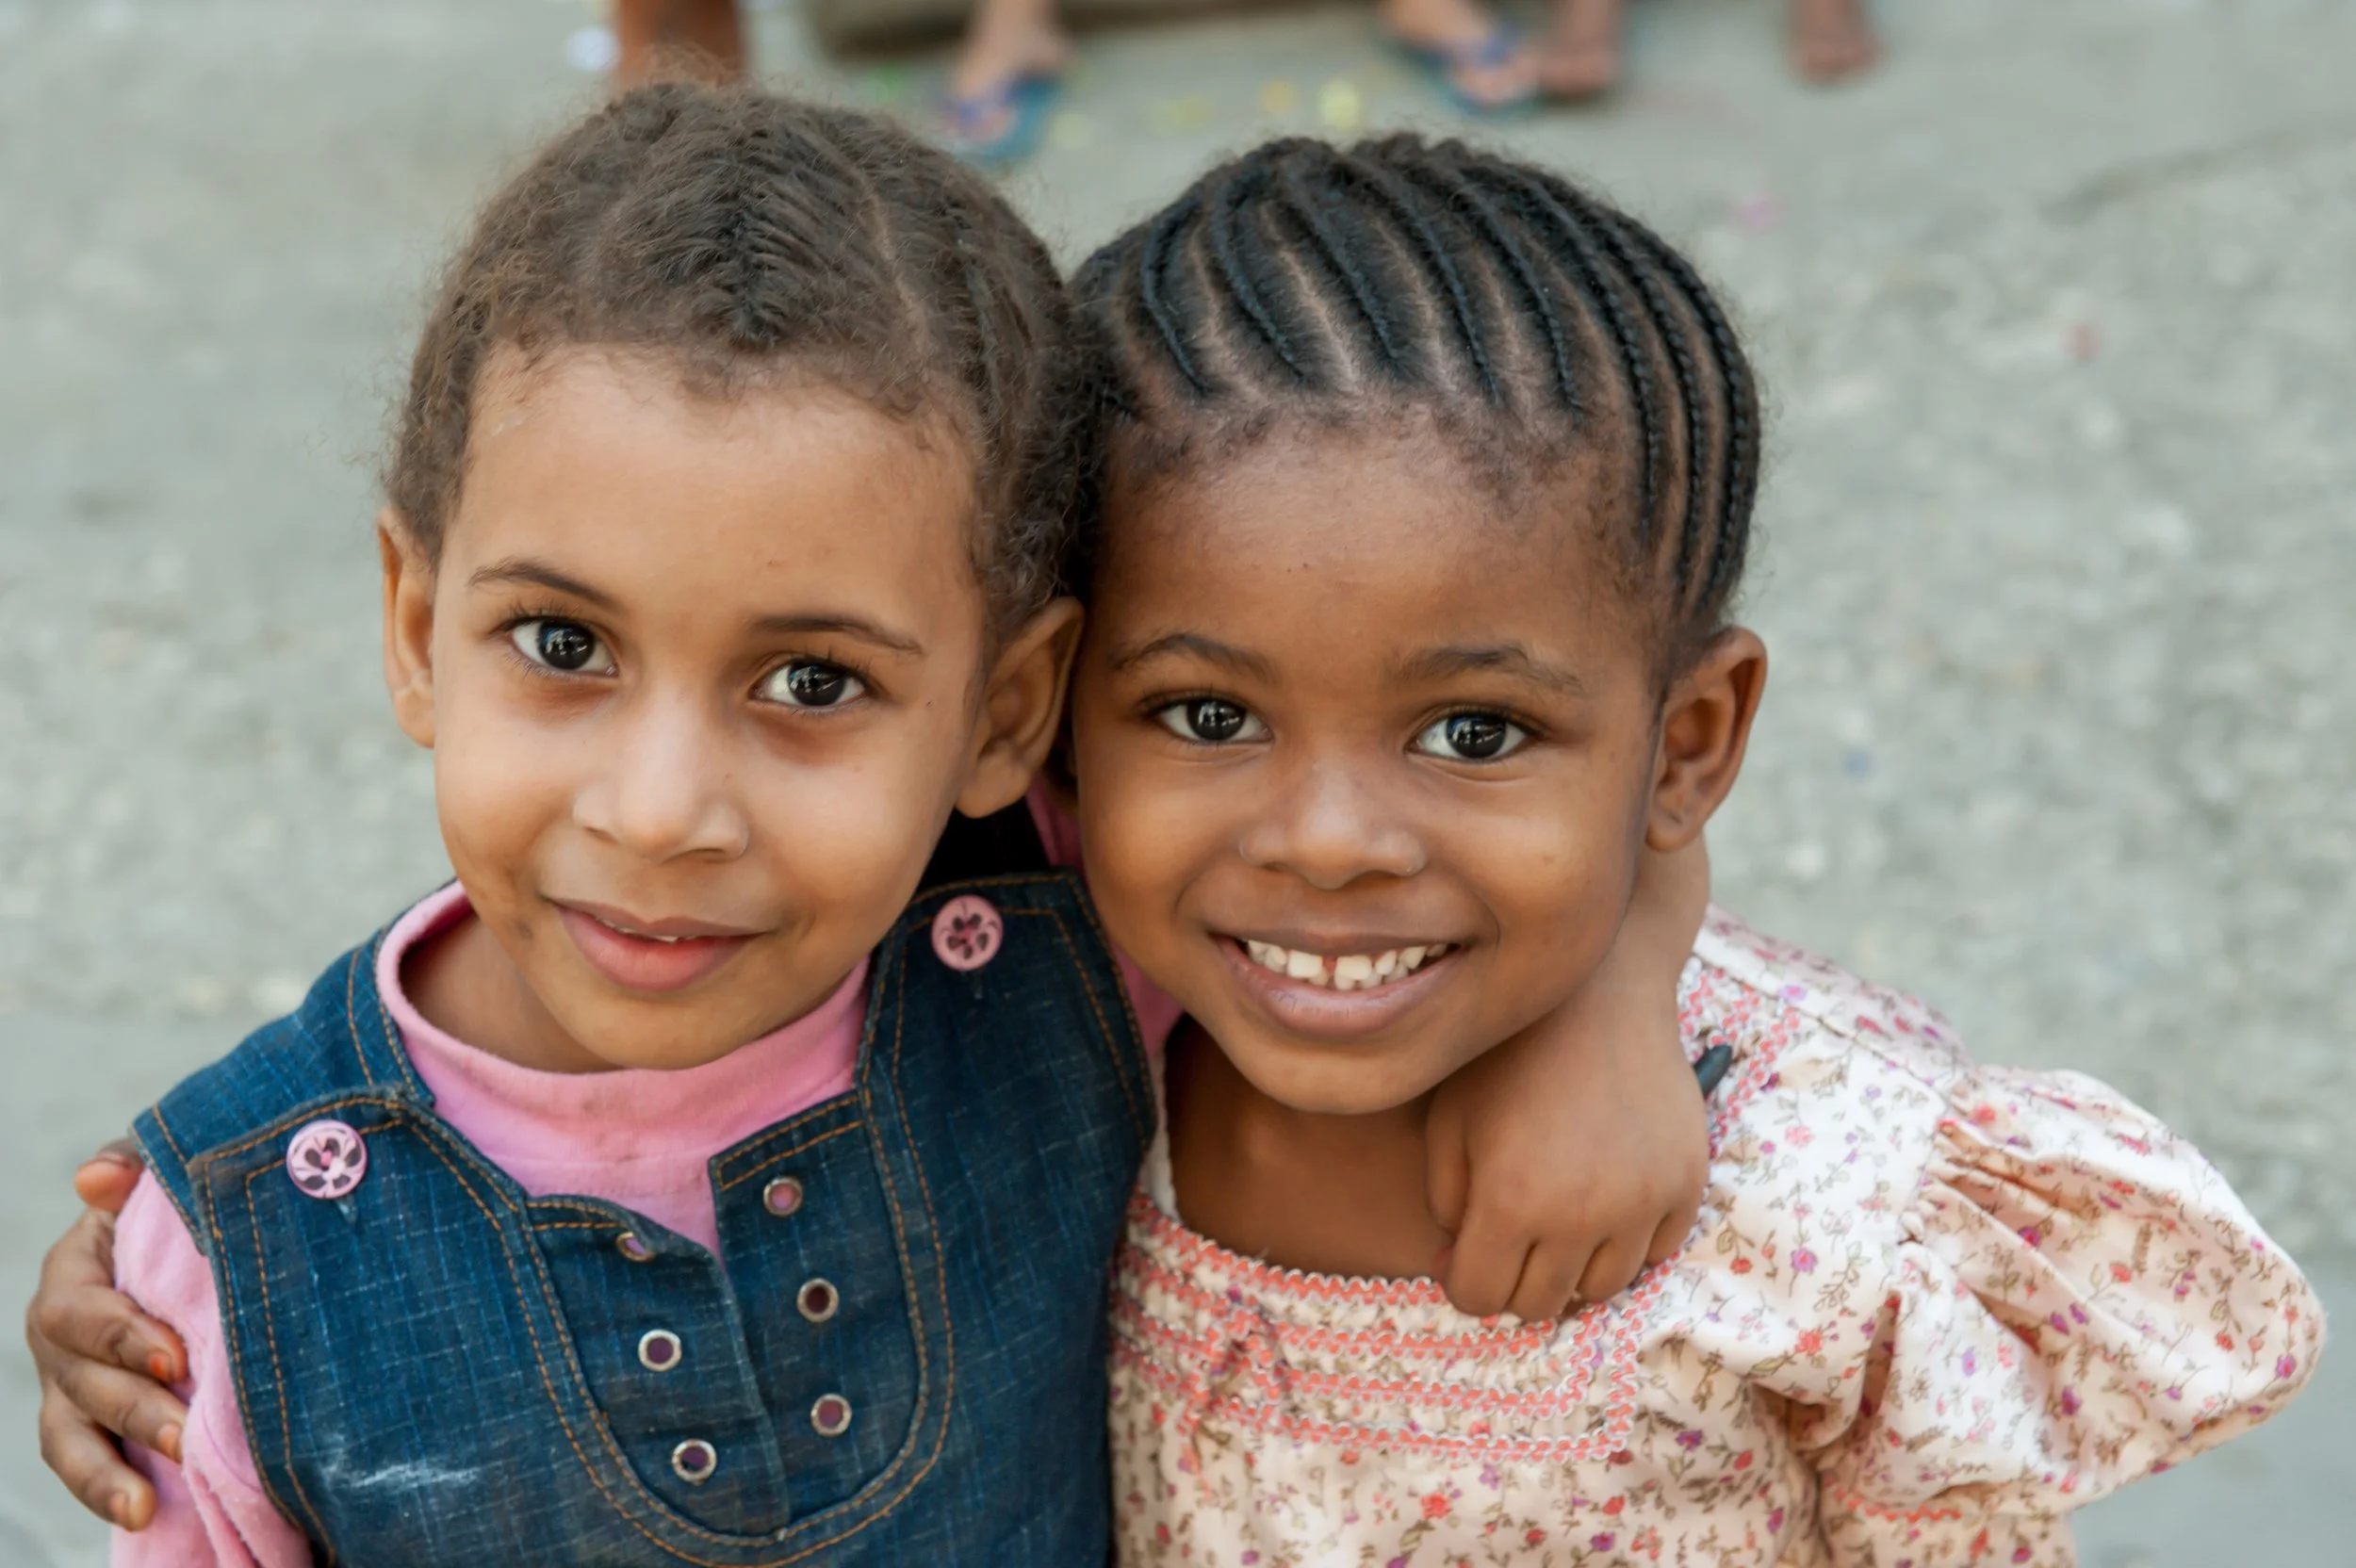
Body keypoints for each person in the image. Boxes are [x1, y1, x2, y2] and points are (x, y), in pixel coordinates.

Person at [23, 90, 1718, 1561]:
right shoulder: (232, 1264)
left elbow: (1483, 810)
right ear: (414, 627)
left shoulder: (1064, 940)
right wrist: (188, 1263)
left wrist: (1610, 1002)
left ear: (1003, 715)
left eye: (813, 683)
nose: (664, 811)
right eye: (564, 647)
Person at [1054, 134, 2321, 1562]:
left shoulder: (1813, 1193)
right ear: (1040, 710)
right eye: (1207, 712)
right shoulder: (1025, 1022)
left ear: (1691, 741)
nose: (1331, 843)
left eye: (1473, 732)